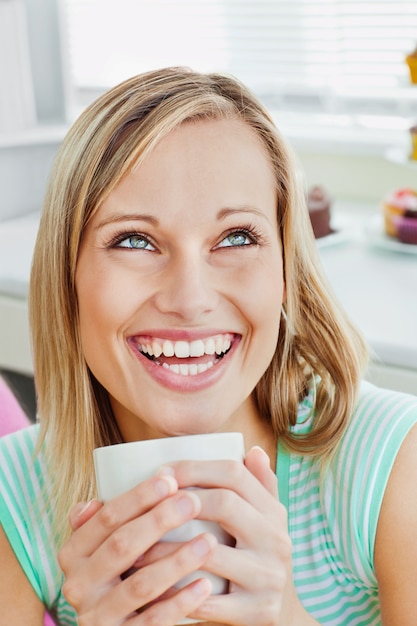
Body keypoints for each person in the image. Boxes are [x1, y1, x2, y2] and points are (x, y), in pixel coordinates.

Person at [0, 67, 416, 626]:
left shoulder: (390, 468)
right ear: (66, 277)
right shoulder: (17, 500)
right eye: (134, 240)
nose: (191, 299)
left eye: (237, 237)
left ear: (286, 273)